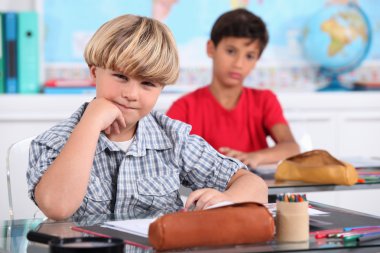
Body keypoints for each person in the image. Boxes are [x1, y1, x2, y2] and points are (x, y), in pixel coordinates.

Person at [27, 14, 268, 220]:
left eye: (147, 84)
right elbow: (57, 207)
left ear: (161, 88)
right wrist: (90, 123)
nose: (131, 94)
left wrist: (226, 199)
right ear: (94, 72)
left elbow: (255, 186)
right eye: (121, 77)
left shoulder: (174, 139)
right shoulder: (54, 141)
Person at [167, 8, 300, 169]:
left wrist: (255, 157)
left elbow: (291, 148)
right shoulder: (185, 107)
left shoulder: (264, 101)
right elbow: (166, 156)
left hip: (258, 192)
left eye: (249, 56)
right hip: (206, 194)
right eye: (231, 51)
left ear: (257, 59)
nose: (238, 64)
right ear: (211, 49)